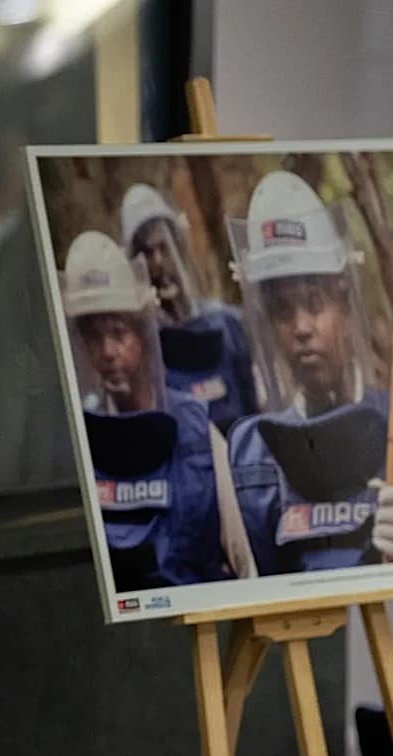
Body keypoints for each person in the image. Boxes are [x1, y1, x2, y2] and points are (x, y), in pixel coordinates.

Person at [221, 171, 393, 576]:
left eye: (314, 303)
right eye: (282, 311)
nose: (302, 327)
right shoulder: (250, 461)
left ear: (345, 304)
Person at [62, 231, 255, 590]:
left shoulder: (197, 430)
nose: (107, 352)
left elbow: (245, 560)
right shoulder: (80, 439)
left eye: (119, 333)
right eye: (94, 337)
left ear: (142, 335)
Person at [121, 183, 259, 434]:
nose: (158, 263)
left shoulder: (227, 325)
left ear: (179, 247)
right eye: (147, 253)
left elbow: (255, 416)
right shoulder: (140, 351)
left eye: (164, 247)